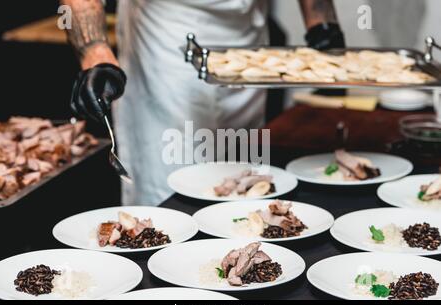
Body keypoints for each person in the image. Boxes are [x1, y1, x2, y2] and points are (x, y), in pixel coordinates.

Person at [62, 0, 345, 206]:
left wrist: (321, 20)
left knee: (242, 185)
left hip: (246, 42)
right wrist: (94, 52)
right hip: (165, 43)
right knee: (172, 188)